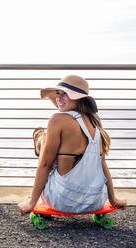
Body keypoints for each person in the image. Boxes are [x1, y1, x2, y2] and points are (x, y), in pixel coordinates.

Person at [18, 75, 127, 214]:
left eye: (66, 94)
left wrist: (31, 203)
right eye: (58, 93)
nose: (59, 98)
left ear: (78, 98)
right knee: (70, 150)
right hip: (95, 201)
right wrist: (113, 199)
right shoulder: (95, 124)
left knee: (45, 138)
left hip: (62, 201)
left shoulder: (57, 120)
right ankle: (42, 138)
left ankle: (39, 137)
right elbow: (103, 166)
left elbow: (46, 164)